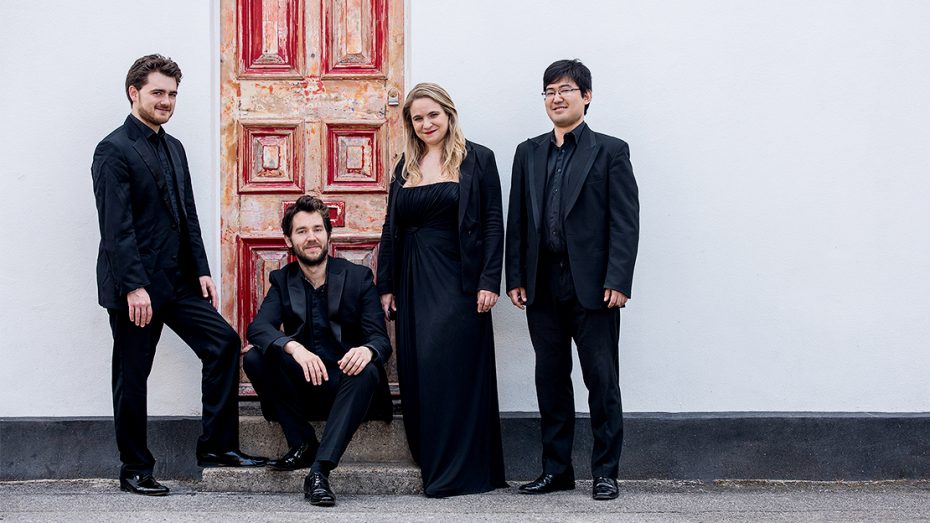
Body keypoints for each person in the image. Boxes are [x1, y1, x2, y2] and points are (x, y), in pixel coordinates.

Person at [91, 54, 267, 497]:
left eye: (172, 94)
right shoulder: (113, 150)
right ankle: (135, 468)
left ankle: (218, 447)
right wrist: (134, 286)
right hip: (137, 289)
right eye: (158, 92)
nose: (166, 101)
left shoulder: (175, 147)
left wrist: (201, 269)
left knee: (223, 343)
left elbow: (187, 214)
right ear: (134, 93)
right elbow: (116, 228)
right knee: (133, 376)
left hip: (178, 281)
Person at [505, 59, 640, 501]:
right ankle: (556, 470)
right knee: (551, 380)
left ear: (586, 96)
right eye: (549, 91)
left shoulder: (610, 151)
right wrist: (516, 276)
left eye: (565, 89)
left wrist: (618, 279)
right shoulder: (528, 152)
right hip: (542, 283)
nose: (556, 98)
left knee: (601, 380)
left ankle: (605, 472)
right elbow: (518, 219)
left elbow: (625, 221)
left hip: (594, 286)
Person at [377, 83, 508, 497]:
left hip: (458, 280)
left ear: (449, 114)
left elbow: (493, 223)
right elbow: (390, 227)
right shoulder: (405, 165)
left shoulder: (478, 158)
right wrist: (386, 284)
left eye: (433, 114)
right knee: (420, 369)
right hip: (412, 280)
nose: (426, 123)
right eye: (417, 118)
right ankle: (433, 459)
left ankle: (460, 470)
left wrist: (489, 280)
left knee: (450, 367)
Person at [245, 195, 393, 507]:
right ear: (289, 240)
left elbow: (380, 339)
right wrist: (293, 347)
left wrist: (367, 350)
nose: (311, 237)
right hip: (305, 389)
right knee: (255, 357)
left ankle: (319, 471)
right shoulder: (282, 280)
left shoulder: (358, 277)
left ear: (328, 234)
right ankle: (301, 441)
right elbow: (258, 328)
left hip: (349, 389)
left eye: (317, 229)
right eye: (301, 231)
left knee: (367, 368)